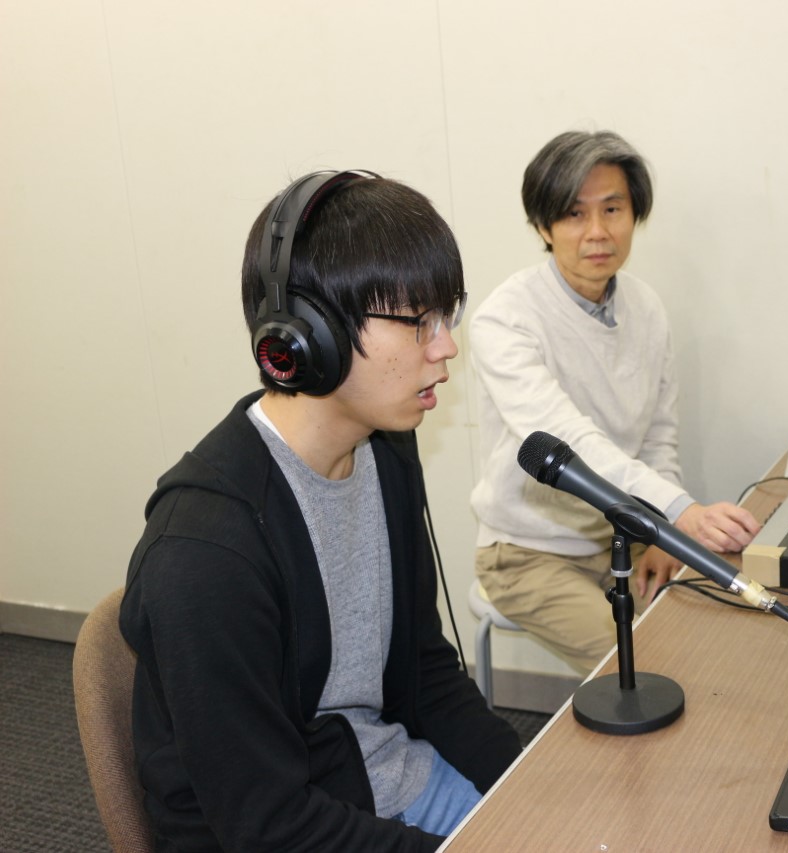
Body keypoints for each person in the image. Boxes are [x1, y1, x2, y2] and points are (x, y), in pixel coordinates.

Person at [119, 170, 521, 852]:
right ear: (310, 335)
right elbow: (267, 824)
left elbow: (424, 671)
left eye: (448, 315)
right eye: (419, 321)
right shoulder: (205, 553)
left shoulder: (386, 452)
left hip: (388, 779)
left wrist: (532, 782)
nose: (446, 345)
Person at [468, 131, 761, 675]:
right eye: (575, 214)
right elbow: (569, 444)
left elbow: (657, 438)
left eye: (613, 209)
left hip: (618, 542)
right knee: (644, 671)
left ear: (635, 215)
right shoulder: (506, 318)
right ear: (542, 225)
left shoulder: (646, 307)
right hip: (526, 555)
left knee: (720, 647)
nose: (598, 232)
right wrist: (679, 515)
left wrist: (661, 536)